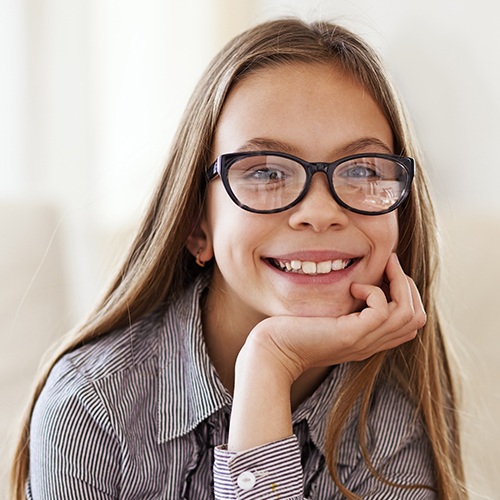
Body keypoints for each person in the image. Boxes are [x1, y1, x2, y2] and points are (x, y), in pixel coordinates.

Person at [11, 18, 467, 499]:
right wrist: (272, 362)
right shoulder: (90, 406)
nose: (319, 212)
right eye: (267, 172)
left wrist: (269, 366)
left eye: (360, 169)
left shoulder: (393, 422)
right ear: (196, 225)